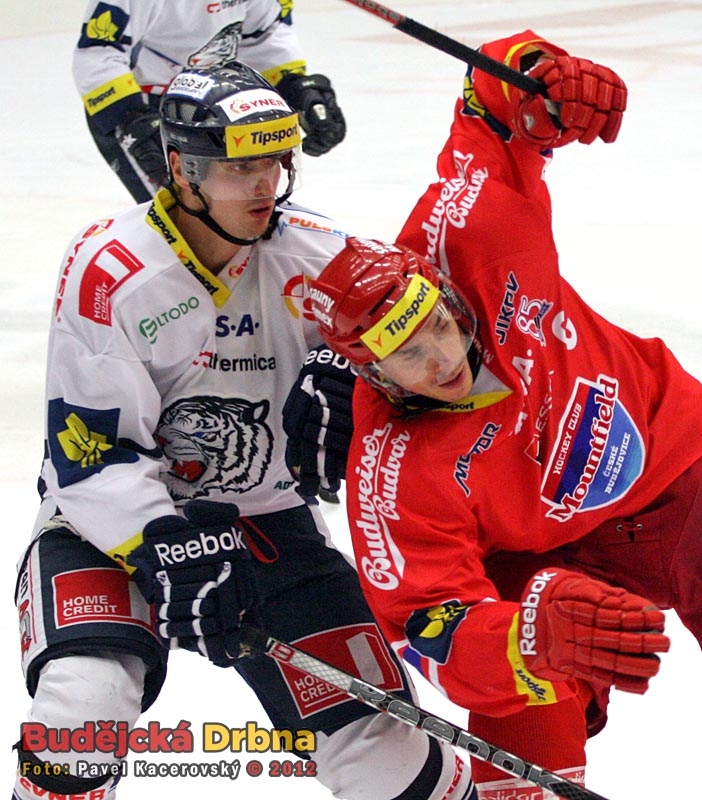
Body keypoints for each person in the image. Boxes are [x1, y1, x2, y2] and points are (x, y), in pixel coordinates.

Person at [306, 30, 702, 799]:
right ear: (371, 374)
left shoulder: (471, 233)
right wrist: (517, 638)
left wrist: (538, 78)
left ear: (443, 291)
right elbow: (427, 622)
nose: (441, 360)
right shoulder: (392, 468)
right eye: (407, 357)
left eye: (438, 326)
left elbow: (486, 113)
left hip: (685, 482)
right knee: (522, 676)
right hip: (549, 560)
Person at [12, 61, 477, 800]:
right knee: (81, 712)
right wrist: (166, 548)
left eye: (275, 161)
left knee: (387, 760)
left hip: (271, 525)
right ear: (181, 170)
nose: (266, 184)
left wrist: (355, 381)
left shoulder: (321, 256)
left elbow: (437, 354)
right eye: (240, 167)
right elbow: (91, 454)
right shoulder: (111, 270)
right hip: (110, 531)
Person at [73, 0, 346, 202]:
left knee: (236, 212)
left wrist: (296, 89)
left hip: (216, 102)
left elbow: (264, 37)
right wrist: (132, 118)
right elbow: (98, 53)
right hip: (143, 105)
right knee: (188, 217)